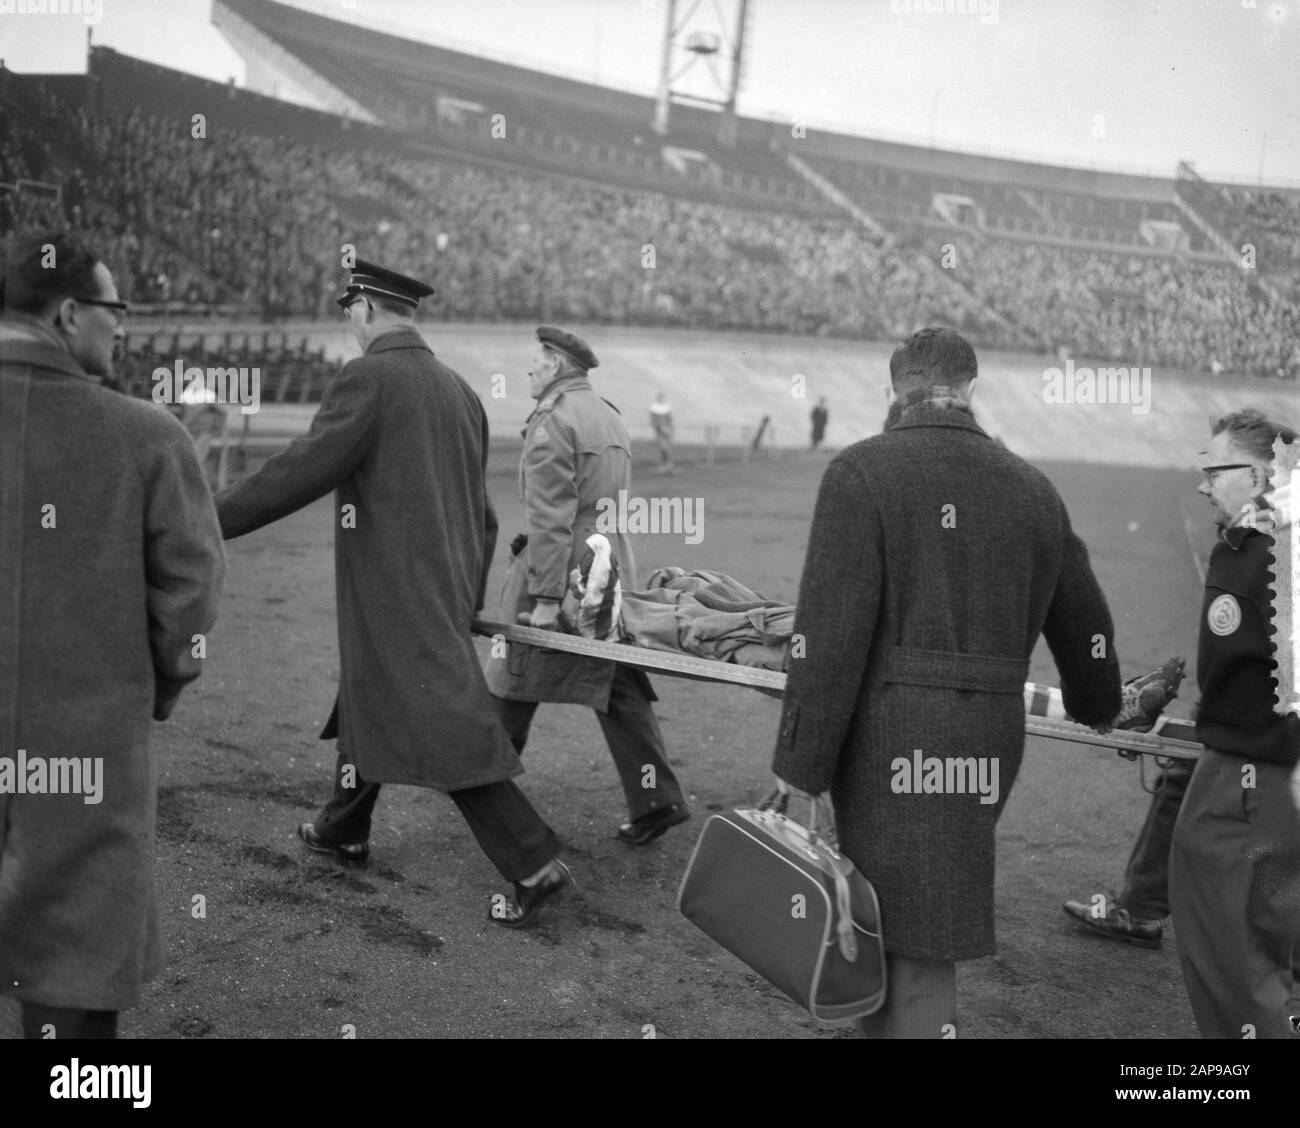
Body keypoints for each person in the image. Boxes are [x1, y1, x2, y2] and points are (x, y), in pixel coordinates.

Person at [772, 327, 1122, 1038]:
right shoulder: (1032, 487)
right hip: (989, 734)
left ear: (894, 388)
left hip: (891, 736)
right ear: (970, 389)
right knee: (912, 911)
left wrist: (798, 766)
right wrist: (1100, 704)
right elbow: (1084, 617)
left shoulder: (862, 472)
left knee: (907, 927)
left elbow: (828, 636)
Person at [213, 261, 569, 928]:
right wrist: (465, 594)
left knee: (439, 718)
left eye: (349, 307)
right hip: (440, 586)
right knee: (374, 692)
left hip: (395, 590)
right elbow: (483, 514)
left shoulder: (368, 377)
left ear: (366, 309)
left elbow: (298, 471)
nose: (348, 319)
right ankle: (343, 827)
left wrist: (206, 517)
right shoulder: (460, 391)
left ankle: (531, 858)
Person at [0, 232, 225, 1038]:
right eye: (115, 308)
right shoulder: (146, 434)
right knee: (75, 962)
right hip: (87, 740)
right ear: (69, 313)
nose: (123, 325)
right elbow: (190, 599)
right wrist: (155, 686)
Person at [484, 327, 689, 845]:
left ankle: (481, 783)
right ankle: (657, 797)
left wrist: (548, 599)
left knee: (514, 674)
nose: (528, 369)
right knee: (613, 682)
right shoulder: (608, 414)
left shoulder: (555, 420)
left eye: (536, 361)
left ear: (555, 363)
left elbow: (550, 516)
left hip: (564, 572)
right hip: (609, 566)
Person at [1169, 408, 1300, 1038]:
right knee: (1265, 946)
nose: (1204, 485)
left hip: (1258, 767)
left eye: (1213, 471)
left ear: (1253, 475)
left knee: (1233, 944)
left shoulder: (1272, 549)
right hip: (1261, 761)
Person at [650, 390, 675, 472]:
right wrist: (660, 428)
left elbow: (670, 420)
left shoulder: (666, 408)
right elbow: (654, 421)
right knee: (662, 448)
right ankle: (665, 464)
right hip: (660, 431)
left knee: (666, 448)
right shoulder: (654, 408)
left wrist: (668, 429)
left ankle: (668, 465)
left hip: (667, 431)